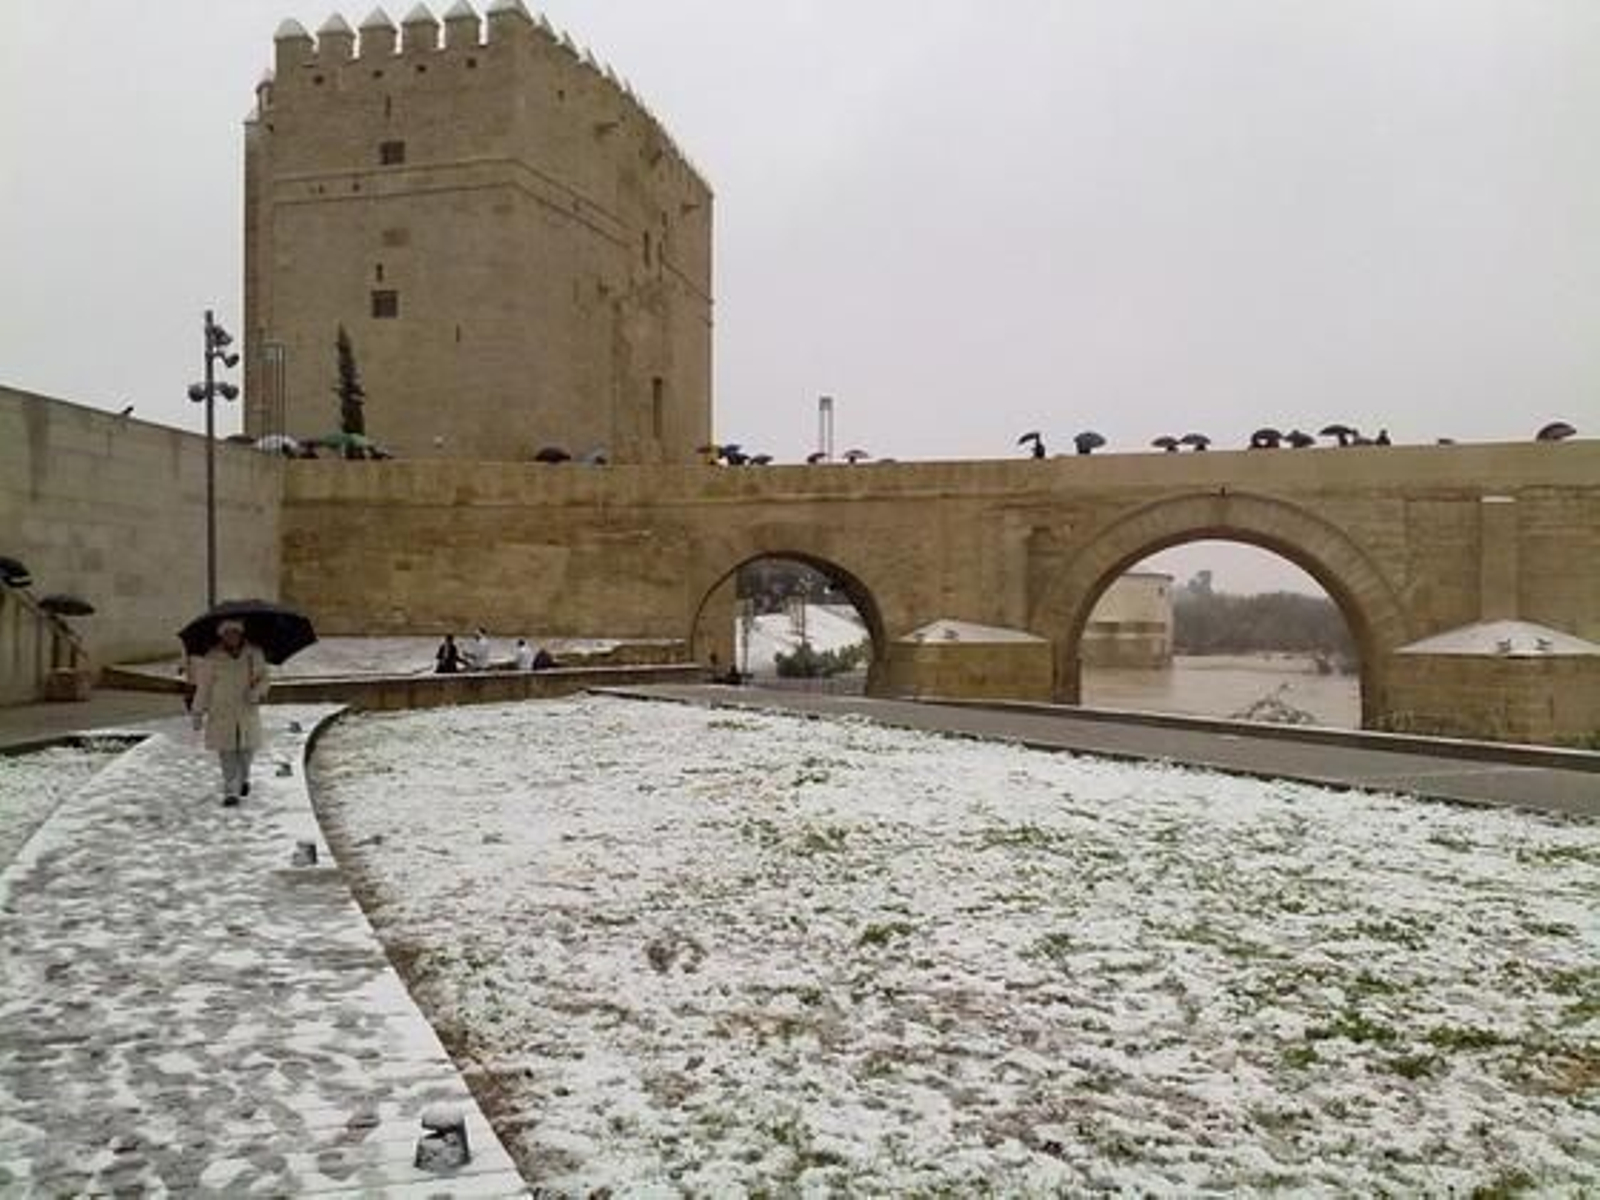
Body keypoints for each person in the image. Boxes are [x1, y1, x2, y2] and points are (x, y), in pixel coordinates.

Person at [191, 619, 269, 807]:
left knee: (246, 751)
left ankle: (243, 779)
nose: (231, 637)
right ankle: (231, 790)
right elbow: (204, 687)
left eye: (235, 632)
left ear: (241, 634)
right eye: (227, 633)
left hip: (246, 710)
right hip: (221, 711)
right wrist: (197, 711)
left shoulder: (254, 654)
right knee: (227, 752)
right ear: (221, 636)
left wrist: (257, 692)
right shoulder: (212, 657)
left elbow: (264, 678)